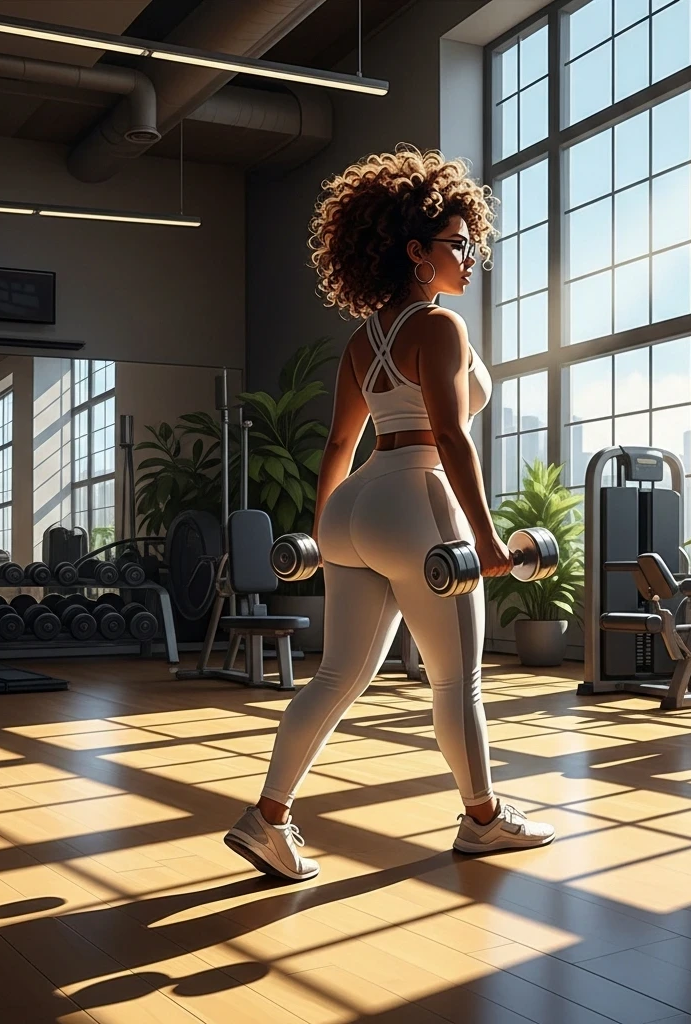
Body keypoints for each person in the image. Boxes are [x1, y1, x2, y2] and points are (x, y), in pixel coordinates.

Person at [224, 146, 555, 881]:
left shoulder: (359, 340)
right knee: (455, 681)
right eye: (458, 246)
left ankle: (268, 817)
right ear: (415, 251)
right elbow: (447, 435)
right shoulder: (438, 327)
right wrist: (492, 540)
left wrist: (320, 532)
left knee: (337, 674)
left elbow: (340, 442)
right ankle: (482, 820)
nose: (470, 259)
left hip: (356, 508)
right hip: (416, 499)